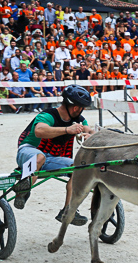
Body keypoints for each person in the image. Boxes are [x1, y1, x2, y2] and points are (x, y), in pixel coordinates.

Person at [14, 85, 95, 225]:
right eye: (82, 107)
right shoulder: (48, 115)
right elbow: (39, 130)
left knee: (78, 169)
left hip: (52, 159)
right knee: (39, 157)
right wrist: (67, 130)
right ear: (75, 108)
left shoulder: (79, 119)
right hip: (28, 151)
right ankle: (23, 190)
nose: (83, 111)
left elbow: (90, 130)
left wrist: (90, 135)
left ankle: (68, 211)